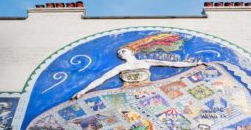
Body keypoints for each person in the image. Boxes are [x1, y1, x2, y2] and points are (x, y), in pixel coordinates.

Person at [72, 35, 203, 99]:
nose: (120, 54)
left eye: (123, 51)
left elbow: (172, 64)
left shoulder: (146, 62)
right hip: (128, 93)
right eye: (118, 53)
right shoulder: (121, 68)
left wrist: (194, 64)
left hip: (147, 91)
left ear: (131, 52)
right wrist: (83, 91)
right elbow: (102, 79)